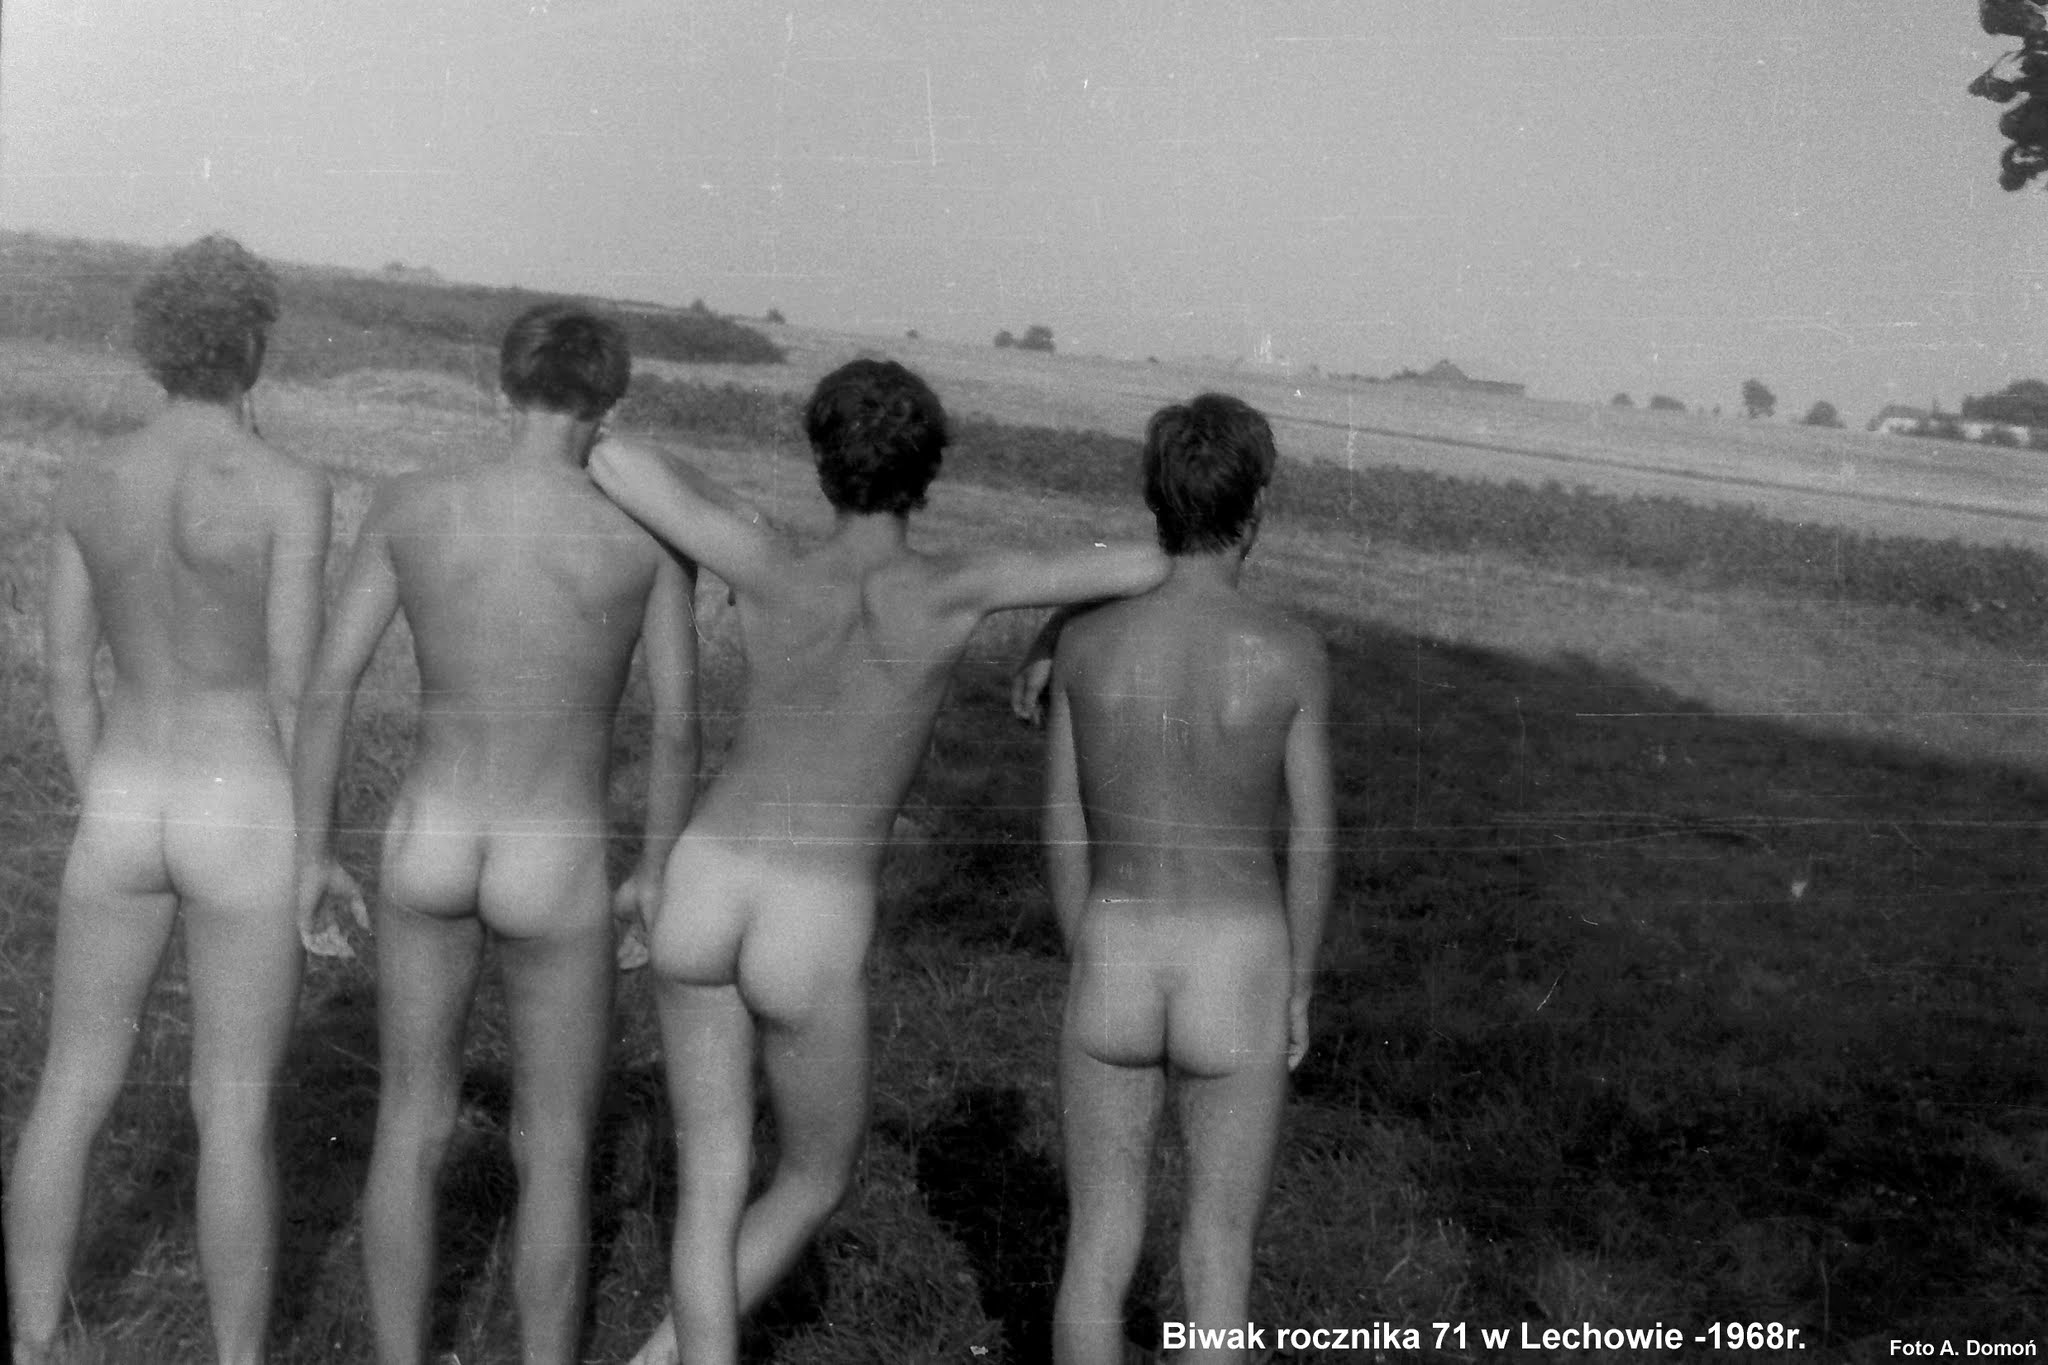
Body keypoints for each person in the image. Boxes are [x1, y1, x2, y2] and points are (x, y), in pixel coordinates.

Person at [584, 358, 1169, 1365]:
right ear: (928, 473)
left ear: (823, 462)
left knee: (710, 1178)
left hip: (706, 877)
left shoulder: (765, 560)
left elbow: (614, 458)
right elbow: (1150, 561)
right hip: (810, 914)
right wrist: (1054, 628)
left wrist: (735, 506)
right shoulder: (954, 586)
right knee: (813, 1177)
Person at [291, 303, 698, 1365]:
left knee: (410, 1119)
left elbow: (328, 687)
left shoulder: (412, 501)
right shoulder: (648, 536)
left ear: (499, 385)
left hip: (430, 833)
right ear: (612, 402)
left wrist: (311, 852)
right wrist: (655, 870)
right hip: (552, 855)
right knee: (555, 1148)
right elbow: (677, 727)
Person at [5, 234, 332, 1365]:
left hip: (125, 796)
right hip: (240, 802)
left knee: (70, 1087)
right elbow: (294, 690)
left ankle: (32, 1345)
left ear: (154, 347)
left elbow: (64, 671)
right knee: (232, 1109)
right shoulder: (288, 487)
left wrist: (102, 789)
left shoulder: (92, 477)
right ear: (252, 343)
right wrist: (319, 844)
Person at [1036, 393, 1335, 1365]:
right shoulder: (1289, 652)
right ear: (1256, 508)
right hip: (1236, 965)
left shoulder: (1084, 645)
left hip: (1117, 947)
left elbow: (1062, 819)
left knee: (1096, 1247)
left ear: (1154, 502)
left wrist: (1083, 943)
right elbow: (1313, 836)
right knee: (1216, 1259)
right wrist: (1297, 986)